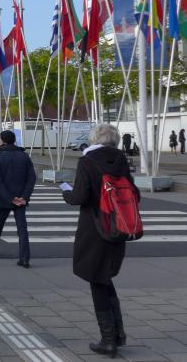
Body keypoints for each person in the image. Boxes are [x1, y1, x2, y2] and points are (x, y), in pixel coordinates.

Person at [63, 123, 139, 357]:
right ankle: (118, 334)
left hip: (94, 228)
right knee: (105, 278)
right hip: (118, 226)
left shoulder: (87, 161)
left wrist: (66, 192)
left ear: (94, 139)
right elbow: (134, 193)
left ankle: (108, 340)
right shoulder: (121, 160)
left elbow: (80, 196)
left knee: (97, 280)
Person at [0, 130, 36, 268]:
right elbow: (31, 178)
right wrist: (24, 197)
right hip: (21, 198)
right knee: (22, 229)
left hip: (3, 198)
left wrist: (11, 198)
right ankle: (25, 258)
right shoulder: (24, 156)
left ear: (2, 141)